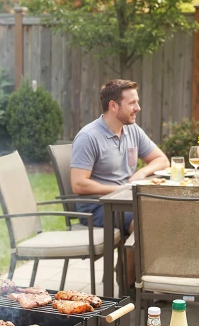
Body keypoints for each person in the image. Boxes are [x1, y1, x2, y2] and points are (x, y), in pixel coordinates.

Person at [70, 79, 169, 233]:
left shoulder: (132, 130)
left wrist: (140, 173)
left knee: (165, 212)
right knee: (145, 224)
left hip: (127, 201)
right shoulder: (88, 137)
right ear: (113, 106)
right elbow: (78, 184)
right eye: (132, 103)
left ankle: (132, 257)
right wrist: (121, 189)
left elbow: (162, 160)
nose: (138, 108)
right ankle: (132, 257)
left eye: (137, 102)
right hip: (98, 207)